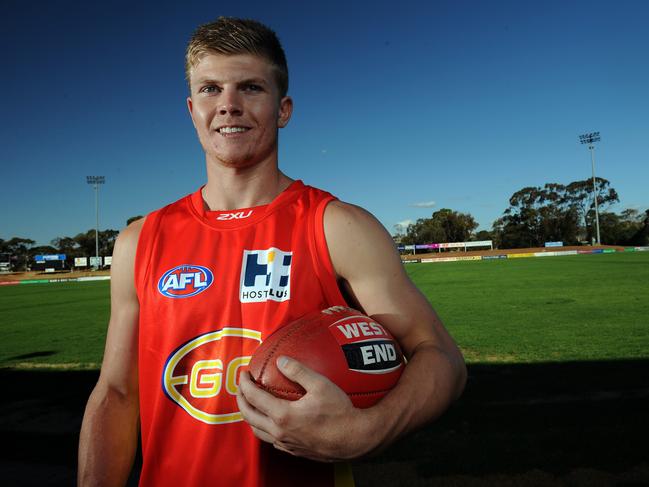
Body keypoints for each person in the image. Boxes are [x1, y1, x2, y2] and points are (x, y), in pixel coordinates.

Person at [78, 17, 466, 487]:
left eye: (250, 88)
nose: (228, 105)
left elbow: (439, 354)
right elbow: (116, 394)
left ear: (283, 109)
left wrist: (369, 432)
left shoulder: (337, 226)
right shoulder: (139, 241)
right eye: (210, 89)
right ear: (190, 109)